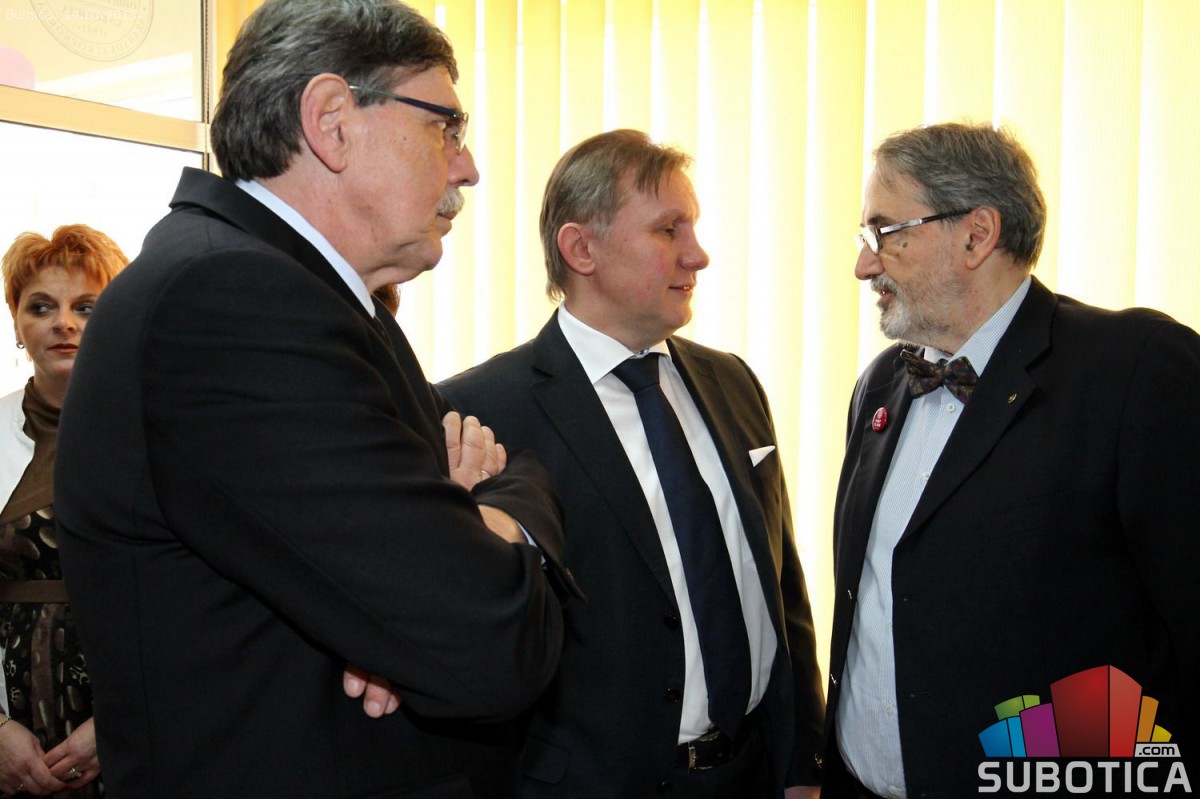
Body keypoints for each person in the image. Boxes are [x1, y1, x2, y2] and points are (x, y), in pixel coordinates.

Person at [53, 1, 577, 797]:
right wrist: (485, 522)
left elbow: (482, 518)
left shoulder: (309, 297)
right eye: (445, 127)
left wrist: (471, 532)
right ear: (332, 121)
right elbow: (487, 641)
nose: (467, 167)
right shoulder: (230, 302)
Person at [440, 129, 825, 798]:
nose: (698, 255)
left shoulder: (734, 382)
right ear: (581, 249)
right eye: (669, 230)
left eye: (693, 228)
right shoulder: (479, 410)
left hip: (754, 773)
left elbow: (780, 584)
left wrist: (803, 764)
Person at [825, 122, 1200, 798]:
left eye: (885, 233)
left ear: (977, 235)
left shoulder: (1132, 369)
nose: (865, 265)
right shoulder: (880, 385)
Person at [0, 224, 125, 798]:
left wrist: (123, 720)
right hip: (11, 727)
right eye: (41, 306)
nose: (64, 323)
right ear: (15, 321)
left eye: (87, 307)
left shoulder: (166, 431)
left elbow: (200, 596)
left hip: (142, 715)